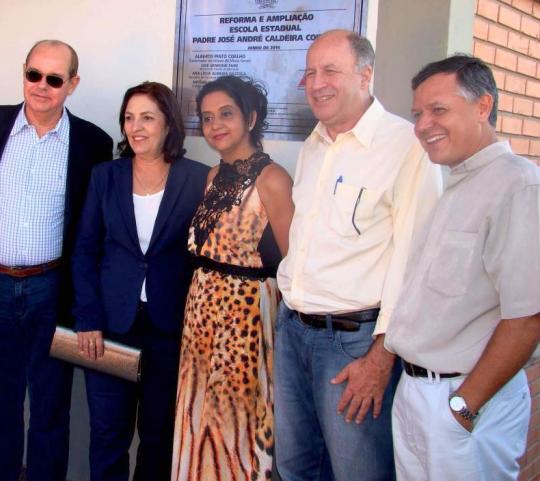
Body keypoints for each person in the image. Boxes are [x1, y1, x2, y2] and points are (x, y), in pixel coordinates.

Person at [274, 29, 442, 481]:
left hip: (353, 345)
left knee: (357, 471)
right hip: (293, 330)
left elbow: (414, 262)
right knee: (293, 469)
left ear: (366, 76)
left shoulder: (407, 147)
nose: (316, 83)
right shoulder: (314, 145)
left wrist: (380, 357)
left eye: (330, 70)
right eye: (310, 72)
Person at [0, 40, 113, 481]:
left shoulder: (93, 143)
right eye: (34, 74)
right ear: (23, 71)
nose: (42, 86)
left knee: (50, 412)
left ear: (72, 84)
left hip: (53, 293)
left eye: (54, 79)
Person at [384, 55, 540, 481]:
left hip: (463, 402)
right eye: (417, 113)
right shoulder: (456, 183)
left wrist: (463, 407)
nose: (422, 125)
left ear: (483, 106)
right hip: (418, 394)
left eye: (438, 110)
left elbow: (527, 317)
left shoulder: (518, 185)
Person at [72, 81, 208, 481]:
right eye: (129, 118)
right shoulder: (105, 176)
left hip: (170, 331)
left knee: (159, 436)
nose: (136, 127)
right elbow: (84, 251)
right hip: (111, 328)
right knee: (108, 433)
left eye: (147, 117)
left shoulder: (198, 178)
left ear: (168, 124)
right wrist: (88, 319)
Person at [172, 75, 294, 481]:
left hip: (245, 324)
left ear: (251, 118)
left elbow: (293, 266)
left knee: (235, 433)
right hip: (200, 317)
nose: (215, 125)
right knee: (197, 425)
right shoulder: (212, 176)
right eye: (207, 118)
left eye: (226, 114)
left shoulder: (273, 179)